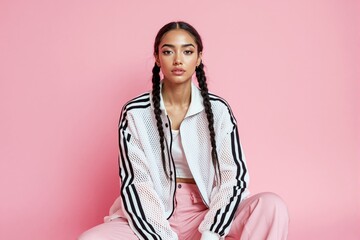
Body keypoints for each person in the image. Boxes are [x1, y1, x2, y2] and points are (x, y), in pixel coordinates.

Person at [79, 21, 289, 240]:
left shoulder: (218, 110)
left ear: (198, 57)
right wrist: (160, 235)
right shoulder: (135, 113)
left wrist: (212, 232)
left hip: (206, 210)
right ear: (157, 58)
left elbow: (233, 178)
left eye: (187, 51)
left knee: (272, 206)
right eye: (168, 51)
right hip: (153, 212)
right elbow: (135, 183)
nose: (178, 59)